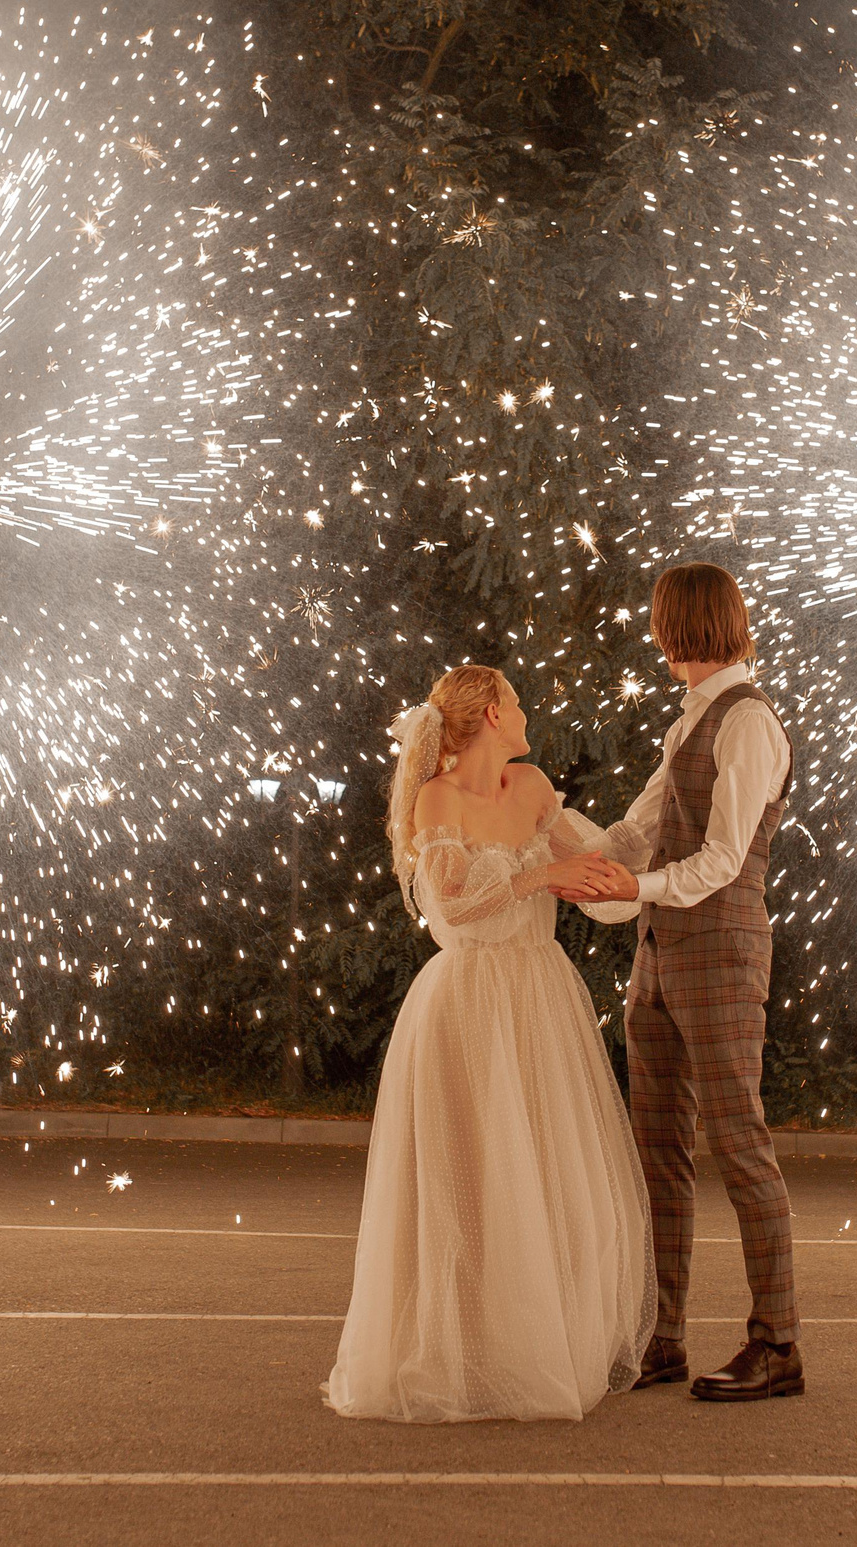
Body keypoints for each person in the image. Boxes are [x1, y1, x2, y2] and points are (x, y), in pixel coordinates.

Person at [324, 664, 653, 1422]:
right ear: (490, 714)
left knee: (542, 1169)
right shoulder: (438, 798)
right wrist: (543, 878)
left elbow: (604, 857)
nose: (526, 710)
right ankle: (461, 1352)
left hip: (539, 997)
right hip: (468, 1000)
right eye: (515, 700)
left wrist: (656, 823)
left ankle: (532, 1345)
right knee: (468, 1176)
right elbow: (457, 904)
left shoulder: (533, 786)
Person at [560, 562, 802, 1402]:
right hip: (660, 955)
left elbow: (725, 858)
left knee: (739, 1144)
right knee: (655, 1151)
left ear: (679, 625)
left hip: (720, 950)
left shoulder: (749, 721)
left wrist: (635, 887)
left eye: (659, 619)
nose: (654, 635)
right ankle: (661, 1335)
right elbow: (640, 829)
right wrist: (564, 856)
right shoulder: (695, 718)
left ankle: (778, 1344)